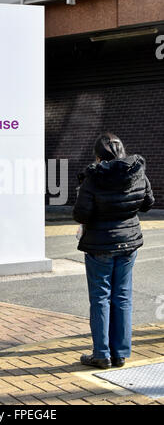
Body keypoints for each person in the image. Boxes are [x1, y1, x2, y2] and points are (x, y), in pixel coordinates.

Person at [73, 132, 154, 369]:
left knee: (100, 298)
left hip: (100, 246)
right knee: (123, 297)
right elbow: (148, 203)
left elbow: (81, 214)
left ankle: (101, 354)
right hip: (128, 244)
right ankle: (119, 353)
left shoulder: (93, 179)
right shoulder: (137, 172)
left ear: (99, 156)